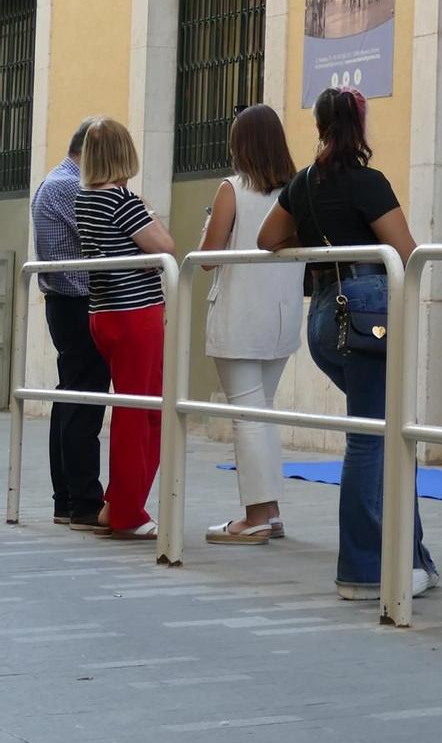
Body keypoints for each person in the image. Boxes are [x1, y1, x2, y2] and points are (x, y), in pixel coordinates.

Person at [259, 88, 438, 601]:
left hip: (323, 318)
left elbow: (267, 240)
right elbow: (407, 253)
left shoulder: (302, 186)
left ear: (318, 125)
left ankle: (411, 556)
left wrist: (317, 252)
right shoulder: (367, 182)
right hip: (369, 319)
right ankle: (364, 570)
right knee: (372, 437)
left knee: (383, 430)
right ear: (359, 127)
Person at [196, 104, 305, 544]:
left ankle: (255, 515)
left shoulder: (232, 189)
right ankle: (271, 511)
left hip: (240, 317)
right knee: (262, 412)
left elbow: (207, 256)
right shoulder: (296, 190)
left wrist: (208, 219)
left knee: (247, 417)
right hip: (280, 318)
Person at [74, 118, 176, 541]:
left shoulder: (83, 199)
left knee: (131, 409)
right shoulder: (123, 200)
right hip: (137, 315)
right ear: (124, 154)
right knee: (144, 414)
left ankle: (119, 502)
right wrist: (148, 210)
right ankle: (127, 512)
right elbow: (165, 246)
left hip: (103, 314)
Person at [31, 116, 111, 529]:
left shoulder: (57, 181)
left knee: (72, 397)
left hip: (68, 302)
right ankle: (82, 501)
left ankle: (67, 499)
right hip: (77, 302)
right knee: (83, 401)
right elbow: (108, 232)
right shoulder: (68, 186)